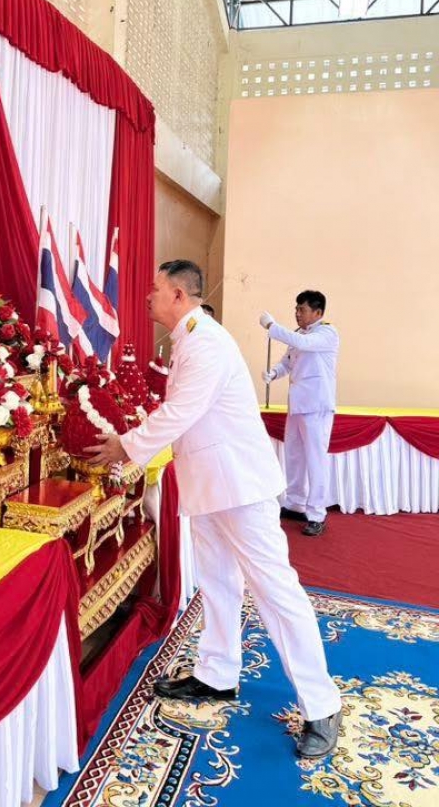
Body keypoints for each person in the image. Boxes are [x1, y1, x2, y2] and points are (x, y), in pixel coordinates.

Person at [86, 260, 341, 759]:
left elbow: (181, 411)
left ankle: (322, 704)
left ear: (179, 296)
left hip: (240, 486)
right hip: (211, 485)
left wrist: (125, 446)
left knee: (275, 592)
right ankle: (217, 673)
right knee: (219, 583)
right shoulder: (191, 337)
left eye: (155, 288)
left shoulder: (205, 342)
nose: (148, 296)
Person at [260, 291, 339, 537]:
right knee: (294, 455)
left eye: (302, 309)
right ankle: (295, 503)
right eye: (296, 308)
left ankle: (317, 514)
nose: (297, 313)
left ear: (317, 312)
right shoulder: (299, 335)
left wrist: (272, 327)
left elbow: (303, 345)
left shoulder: (327, 333)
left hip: (317, 405)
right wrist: (274, 373)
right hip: (297, 405)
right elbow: (288, 362)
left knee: (315, 460)